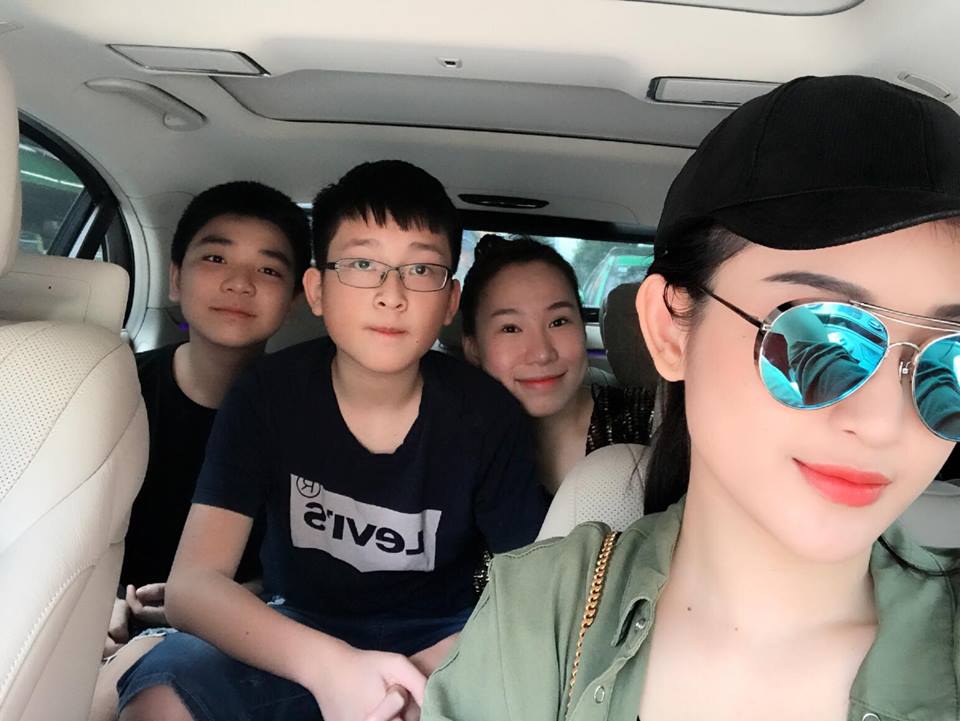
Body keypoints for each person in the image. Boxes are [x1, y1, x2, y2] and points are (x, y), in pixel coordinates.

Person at [421, 75, 960, 721]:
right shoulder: (536, 616)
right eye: (821, 337)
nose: (882, 421)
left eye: (953, 360)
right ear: (670, 330)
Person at [115, 160, 547, 721]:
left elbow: (535, 590)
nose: (391, 295)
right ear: (316, 289)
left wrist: (418, 676)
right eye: (363, 264)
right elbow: (194, 584)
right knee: (161, 692)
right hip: (296, 628)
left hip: (445, 637)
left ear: (449, 301)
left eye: (420, 269)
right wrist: (331, 668)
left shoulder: (487, 415)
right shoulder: (267, 395)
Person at [90, 180, 311, 721]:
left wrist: (212, 601)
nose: (239, 283)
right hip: (88, 623)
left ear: (296, 298)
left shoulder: (313, 418)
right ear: (175, 278)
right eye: (215, 258)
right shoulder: (106, 392)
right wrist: (94, 603)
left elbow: (307, 568)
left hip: (230, 639)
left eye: (268, 269)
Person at [460, 234, 656, 493]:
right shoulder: (454, 448)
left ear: (582, 328)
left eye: (558, 322)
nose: (542, 353)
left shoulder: (655, 424)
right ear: (473, 348)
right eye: (510, 328)